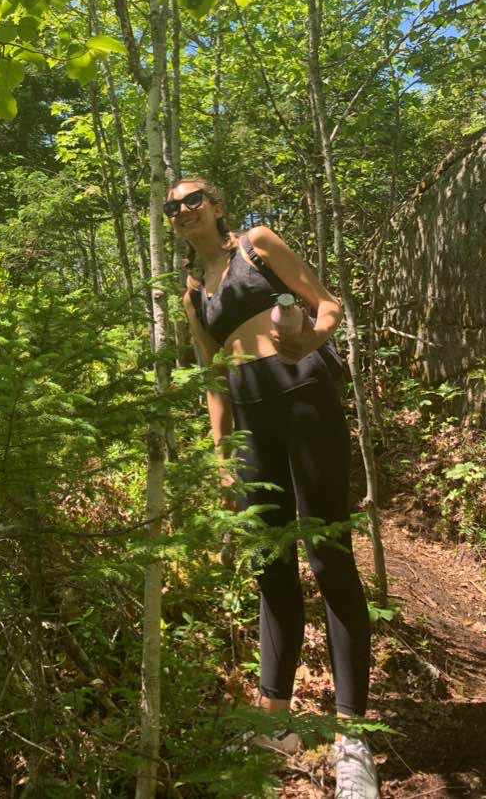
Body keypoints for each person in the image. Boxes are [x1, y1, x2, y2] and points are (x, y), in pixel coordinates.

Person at [165, 177, 378, 799]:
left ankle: (353, 739)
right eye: (172, 206)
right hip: (252, 420)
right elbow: (212, 375)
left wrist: (312, 338)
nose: (183, 210)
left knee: (329, 557)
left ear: (217, 206)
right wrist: (221, 454)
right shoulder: (192, 292)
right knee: (271, 564)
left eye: (193, 200)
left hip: (305, 394)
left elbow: (328, 304)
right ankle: (274, 723)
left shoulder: (257, 245)